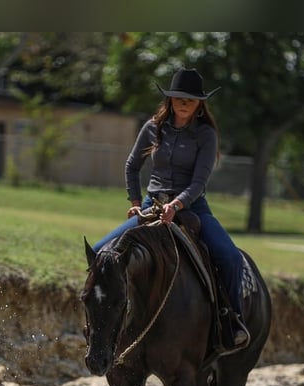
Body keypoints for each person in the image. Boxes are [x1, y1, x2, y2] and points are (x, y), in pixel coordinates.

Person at [93, 68, 249, 350]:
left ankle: (231, 320)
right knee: (98, 253)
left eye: (190, 98)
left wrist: (177, 204)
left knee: (230, 257)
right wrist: (135, 202)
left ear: (200, 102)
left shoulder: (206, 134)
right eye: (178, 97)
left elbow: (199, 181)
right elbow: (132, 166)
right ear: (170, 99)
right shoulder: (153, 127)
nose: (184, 102)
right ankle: (104, 323)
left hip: (192, 207)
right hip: (152, 205)